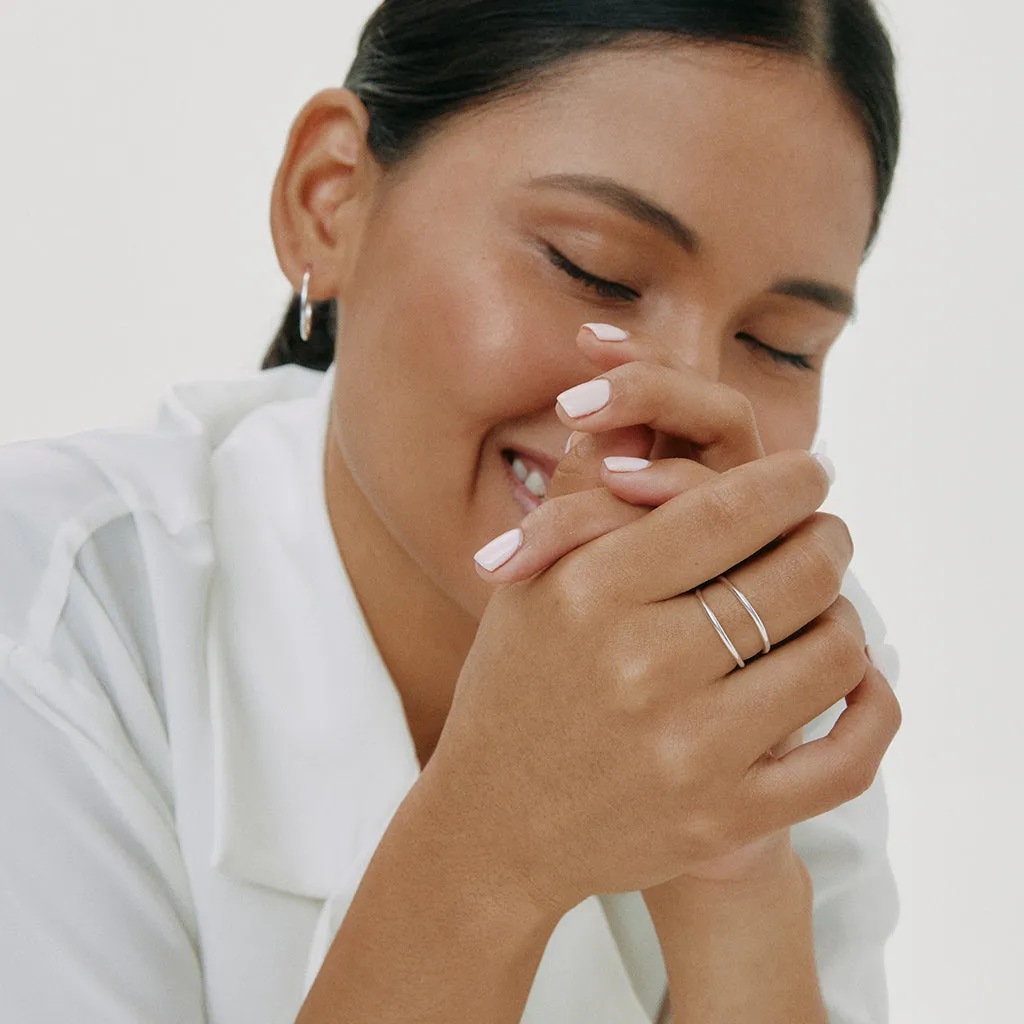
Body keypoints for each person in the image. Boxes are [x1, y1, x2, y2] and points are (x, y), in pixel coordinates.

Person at [0, 1, 905, 1022]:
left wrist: (732, 878)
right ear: (330, 200)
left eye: (783, 344)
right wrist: (494, 842)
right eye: (590, 267)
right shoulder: (49, 618)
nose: (676, 402)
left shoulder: (783, 649)